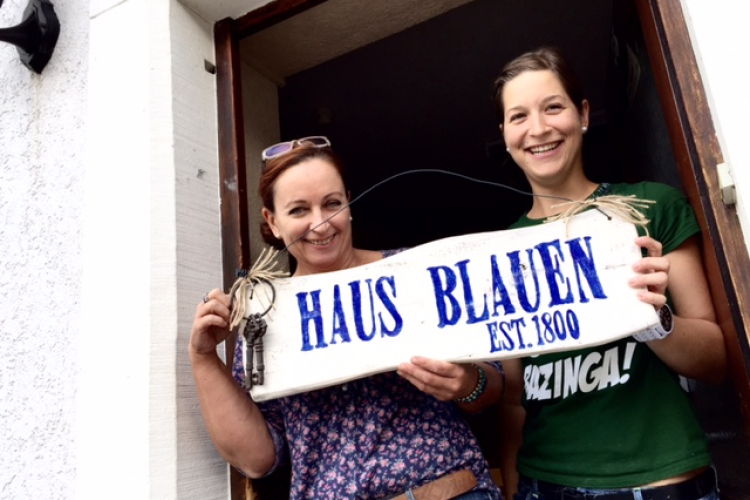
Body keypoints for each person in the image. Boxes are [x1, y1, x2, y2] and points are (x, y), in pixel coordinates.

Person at [189, 137, 505, 500]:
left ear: (349, 204)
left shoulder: (412, 273)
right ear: (273, 222)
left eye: (331, 204)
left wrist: (468, 383)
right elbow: (258, 460)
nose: (320, 224)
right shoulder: (264, 314)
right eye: (299, 210)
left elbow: (494, 385)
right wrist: (203, 357)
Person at [491, 46, 727, 500]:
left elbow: (716, 363)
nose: (537, 129)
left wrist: (655, 320)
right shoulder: (500, 252)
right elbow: (514, 399)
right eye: (518, 116)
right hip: (546, 484)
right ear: (505, 134)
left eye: (553, 107)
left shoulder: (651, 206)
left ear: (582, 114)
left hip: (659, 480)